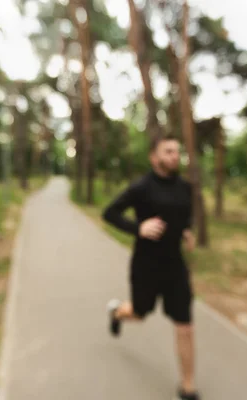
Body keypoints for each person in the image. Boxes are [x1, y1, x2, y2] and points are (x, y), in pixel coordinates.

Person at [102, 134, 200, 400]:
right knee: (139, 313)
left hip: (175, 267)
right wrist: (138, 228)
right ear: (154, 157)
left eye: (177, 151)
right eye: (168, 151)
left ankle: (188, 386)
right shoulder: (141, 188)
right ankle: (116, 313)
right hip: (146, 265)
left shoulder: (185, 187)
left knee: (185, 326)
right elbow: (109, 213)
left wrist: (187, 230)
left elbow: (185, 213)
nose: (174, 156)